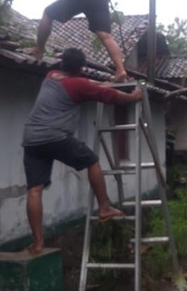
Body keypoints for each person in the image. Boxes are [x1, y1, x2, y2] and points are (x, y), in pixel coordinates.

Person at [22, 47, 142, 254]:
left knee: (34, 189)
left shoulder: (51, 76)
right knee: (92, 161)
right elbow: (109, 95)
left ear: (62, 64)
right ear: (80, 68)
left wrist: (110, 81)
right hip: (55, 136)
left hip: (32, 139)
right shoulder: (78, 85)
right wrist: (133, 97)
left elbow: (91, 86)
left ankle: (38, 243)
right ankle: (104, 207)